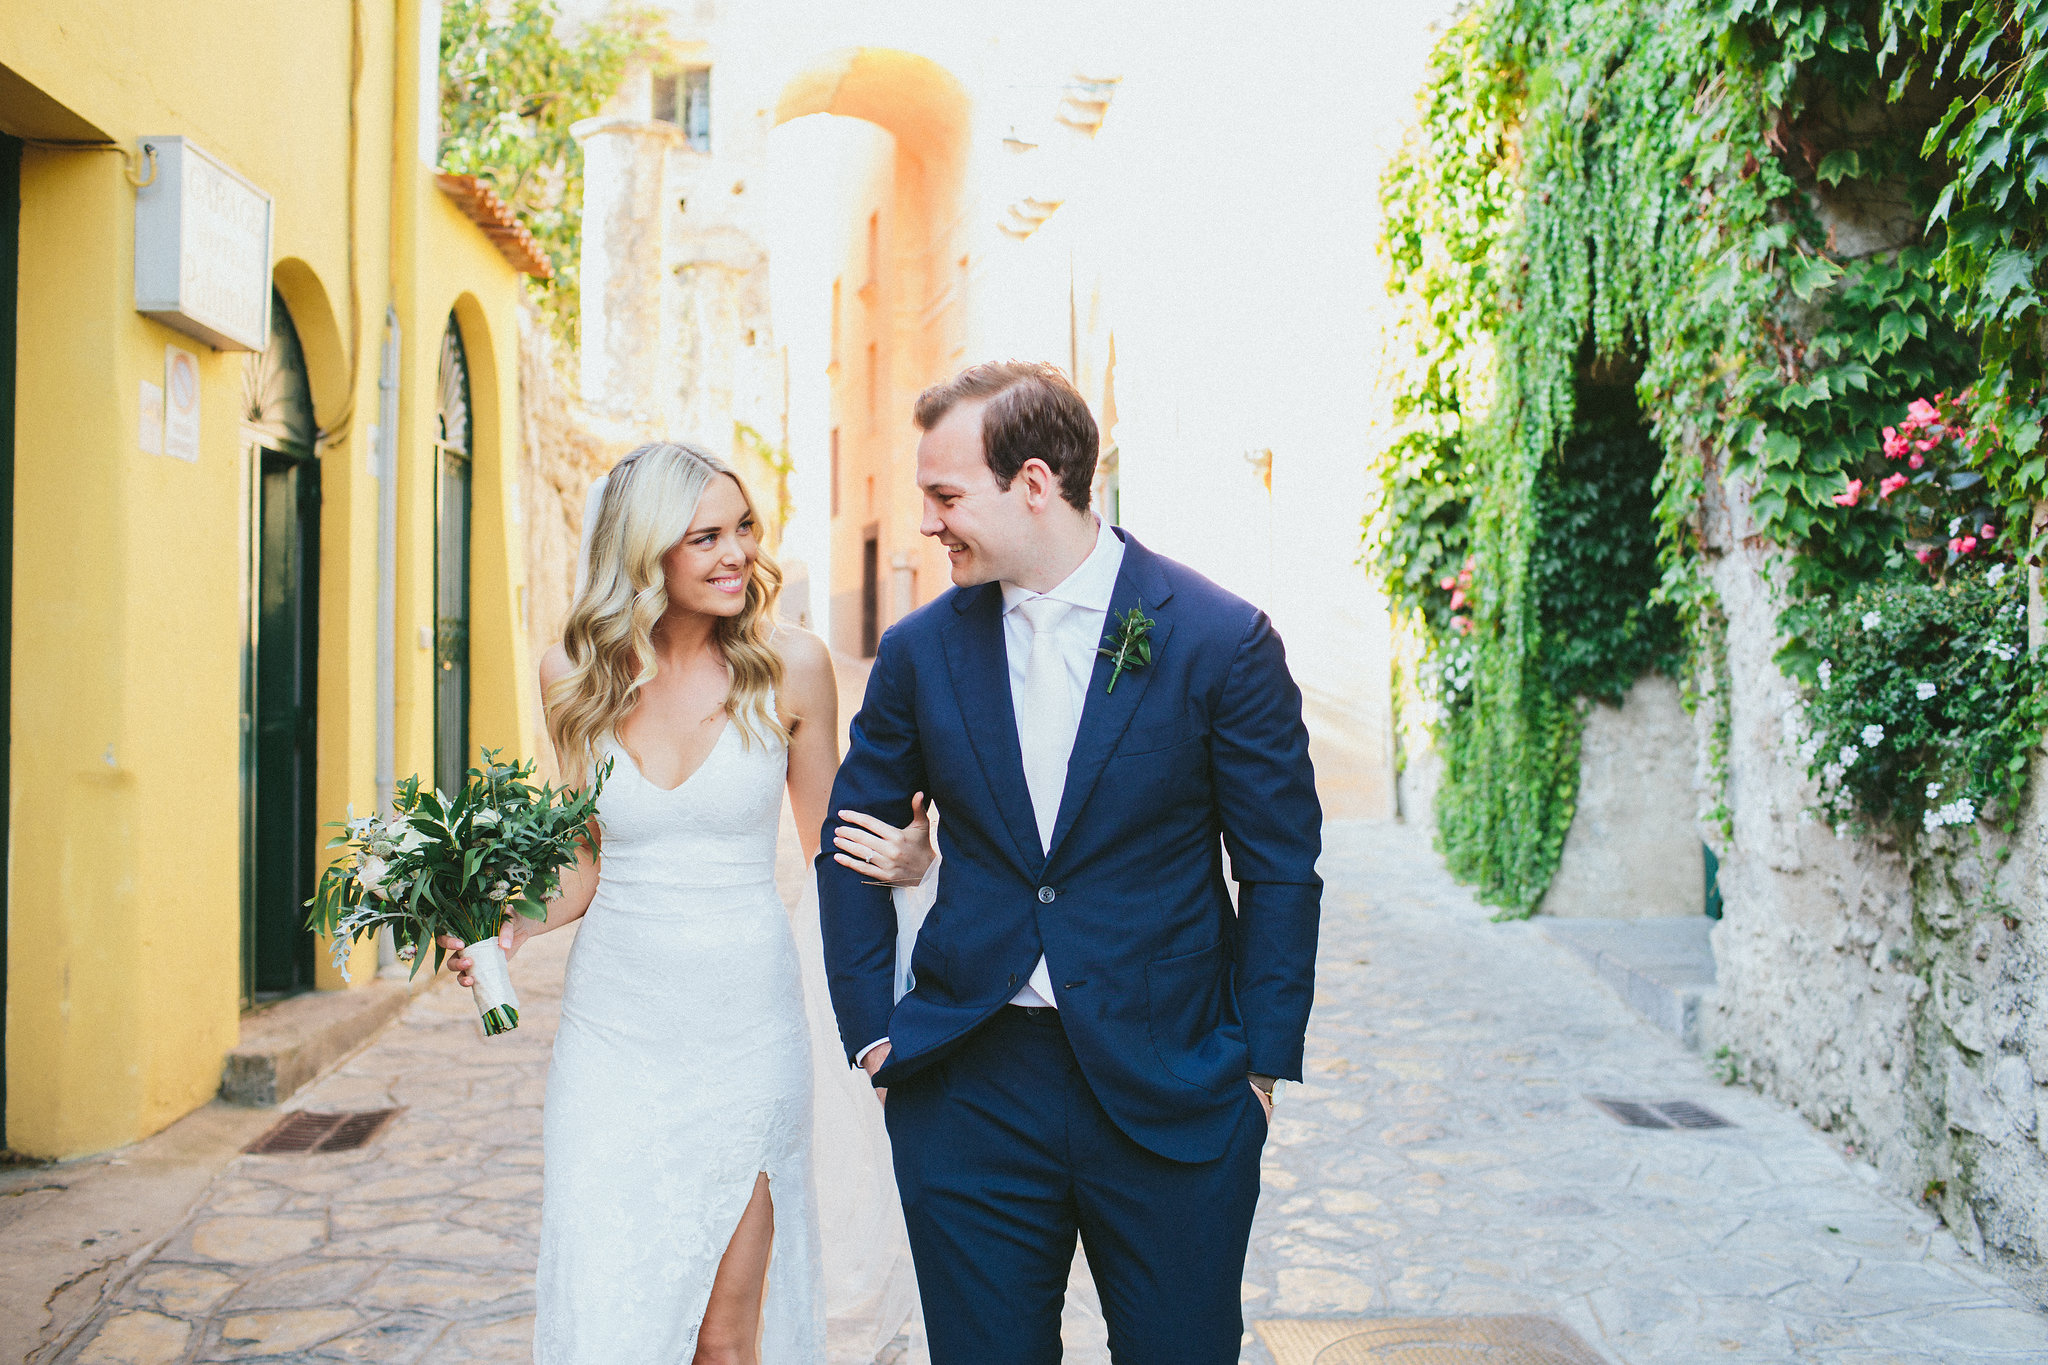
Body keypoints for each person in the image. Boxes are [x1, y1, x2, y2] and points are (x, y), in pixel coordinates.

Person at [818, 362, 1324, 1364]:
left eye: (945, 495)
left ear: (1035, 484)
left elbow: (1278, 869)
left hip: (1173, 1084)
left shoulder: (1218, 640)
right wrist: (874, 1036)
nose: (926, 522)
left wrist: (1259, 1070)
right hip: (970, 1087)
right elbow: (850, 842)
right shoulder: (919, 652)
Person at [440, 441, 928, 1365]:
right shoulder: (571, 674)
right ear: (645, 549)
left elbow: (832, 851)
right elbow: (585, 859)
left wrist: (905, 860)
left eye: (743, 528)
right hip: (612, 1040)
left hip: (748, 1032)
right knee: (613, 1323)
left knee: (724, 1340)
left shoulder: (792, 666)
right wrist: (508, 927)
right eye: (706, 536)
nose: (737, 552)